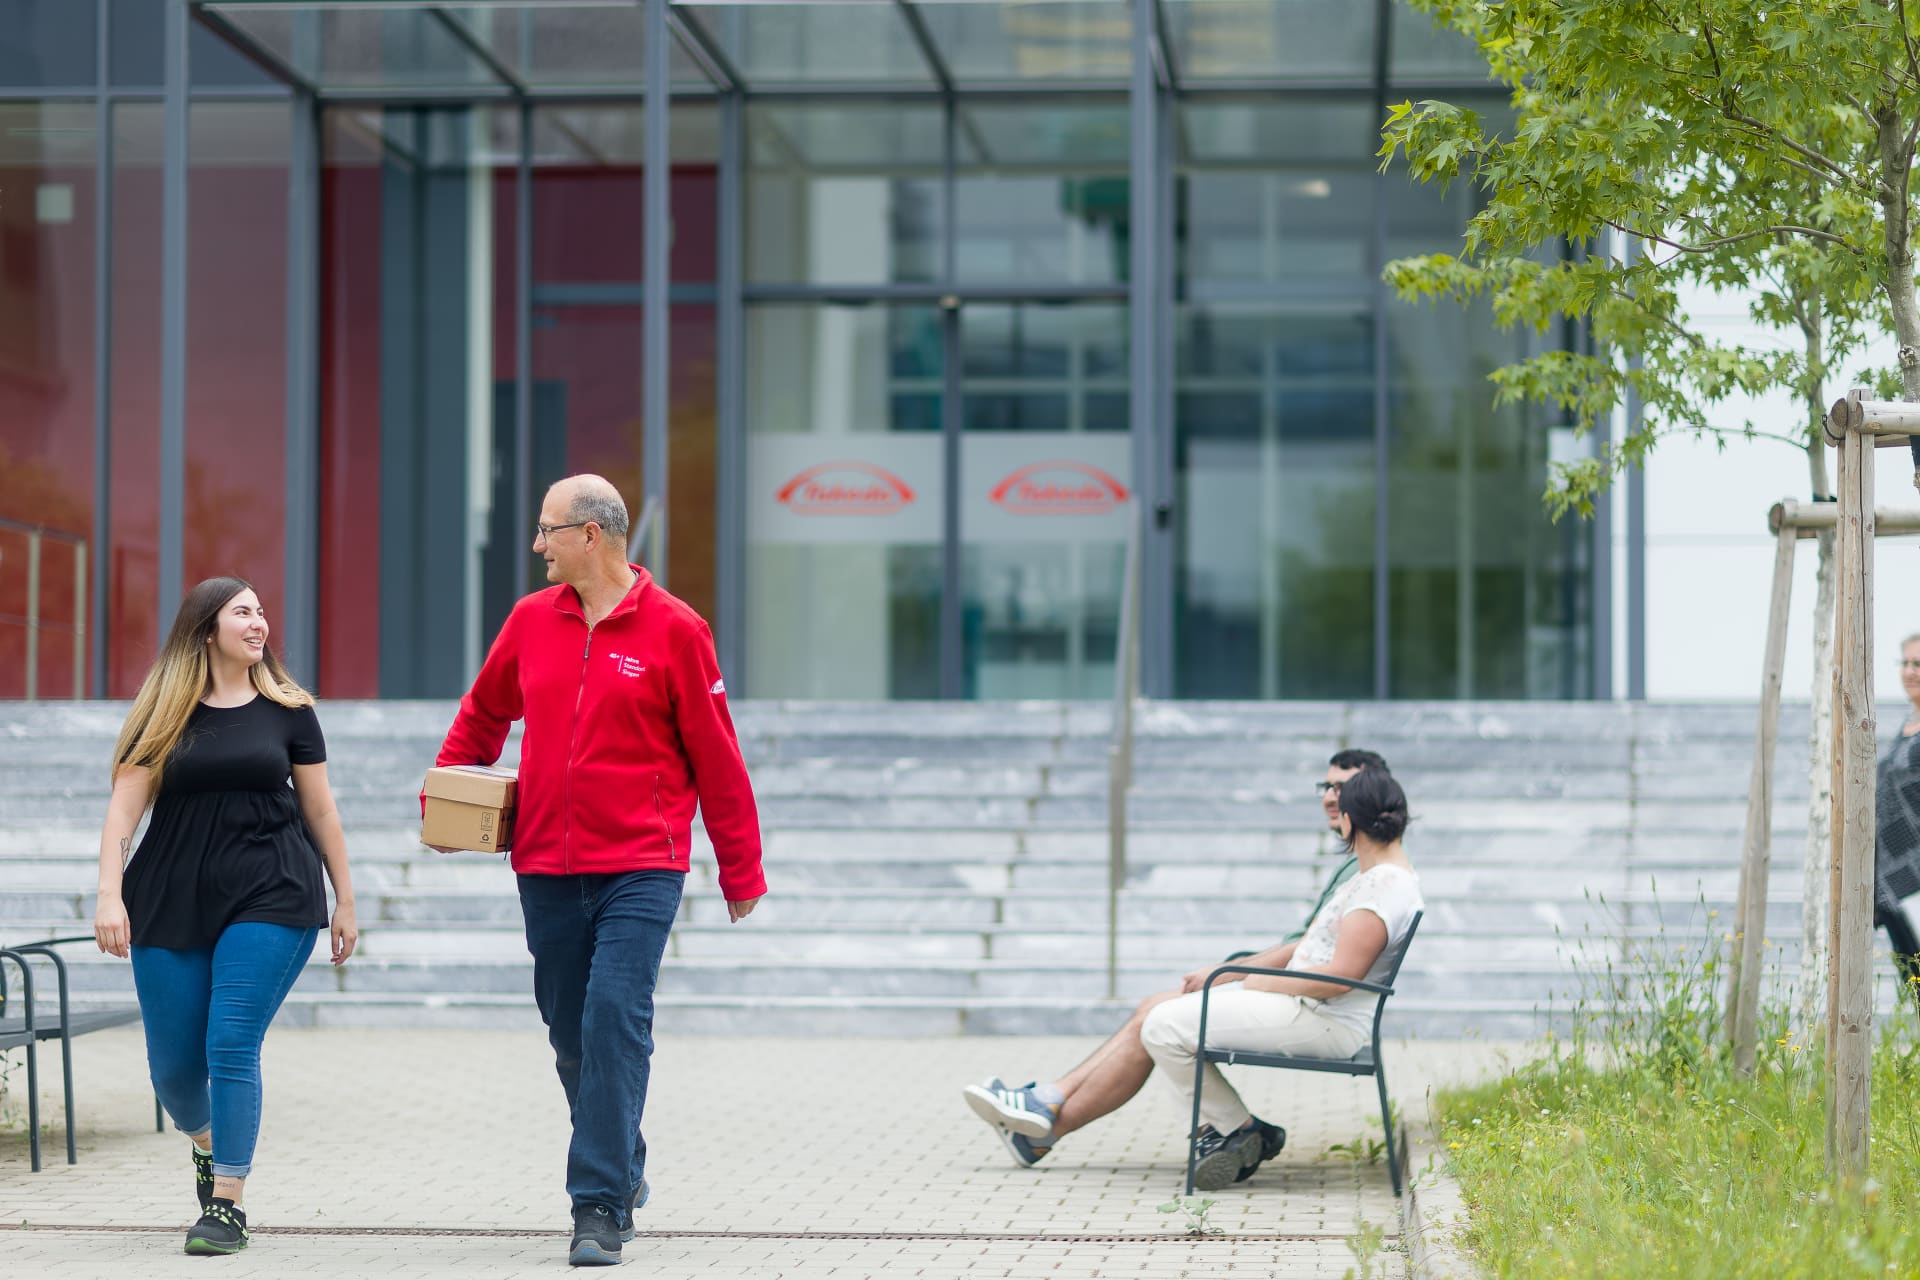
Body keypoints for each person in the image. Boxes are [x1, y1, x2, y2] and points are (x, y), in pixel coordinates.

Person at [431, 474, 766, 1268]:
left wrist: (739, 869)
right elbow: (483, 715)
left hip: (642, 864)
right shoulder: (528, 622)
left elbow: (717, 756)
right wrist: (446, 799)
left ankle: (599, 1205)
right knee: (569, 1030)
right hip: (545, 859)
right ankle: (623, 1155)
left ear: (594, 536)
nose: (538, 545)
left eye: (549, 531)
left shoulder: (678, 630)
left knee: (616, 1017)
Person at [962, 750, 1395, 1179]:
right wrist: (1243, 968)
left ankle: (1048, 1118)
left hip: (1308, 1002)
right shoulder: (1362, 867)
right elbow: (1307, 945)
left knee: (1159, 1021)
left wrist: (1243, 973)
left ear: (1371, 797)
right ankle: (1043, 1114)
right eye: (1328, 786)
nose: (1331, 797)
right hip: (1297, 991)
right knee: (1152, 1010)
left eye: (1345, 788)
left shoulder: (1370, 873)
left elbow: (1319, 957)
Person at [92, 577, 357, 1256]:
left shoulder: (290, 710)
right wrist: (109, 892)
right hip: (170, 895)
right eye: (243, 611)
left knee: (231, 1041)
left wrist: (345, 897)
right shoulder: (163, 713)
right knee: (175, 1074)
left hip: (272, 890)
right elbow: (124, 809)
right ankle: (210, 1145)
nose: (259, 621)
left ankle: (228, 1203)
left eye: (262, 610)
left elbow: (320, 810)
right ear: (207, 628)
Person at [1876, 632, 1920, 1008]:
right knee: (1915, 983)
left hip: (1916, 876)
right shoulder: (1907, 724)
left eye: (1917, 663)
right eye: (1904, 663)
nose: (1909, 671)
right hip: (1891, 879)